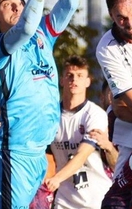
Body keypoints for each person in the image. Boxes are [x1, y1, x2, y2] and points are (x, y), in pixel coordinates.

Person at [0, 0, 79, 207]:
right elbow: (24, 28)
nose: (16, 6)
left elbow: (70, 3)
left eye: (20, 2)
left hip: (38, 154)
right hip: (13, 153)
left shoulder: (43, 33)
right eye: (7, 3)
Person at [96, 0, 132, 179]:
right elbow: (130, 104)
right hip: (129, 138)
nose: (130, 23)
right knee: (118, 200)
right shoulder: (106, 48)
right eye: (122, 18)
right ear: (111, 15)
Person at [45, 55, 112, 209]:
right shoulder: (49, 116)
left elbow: (82, 155)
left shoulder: (95, 114)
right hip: (64, 200)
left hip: (96, 199)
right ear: (61, 80)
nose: (74, 79)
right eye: (69, 75)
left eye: (80, 75)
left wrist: (56, 178)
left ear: (88, 81)